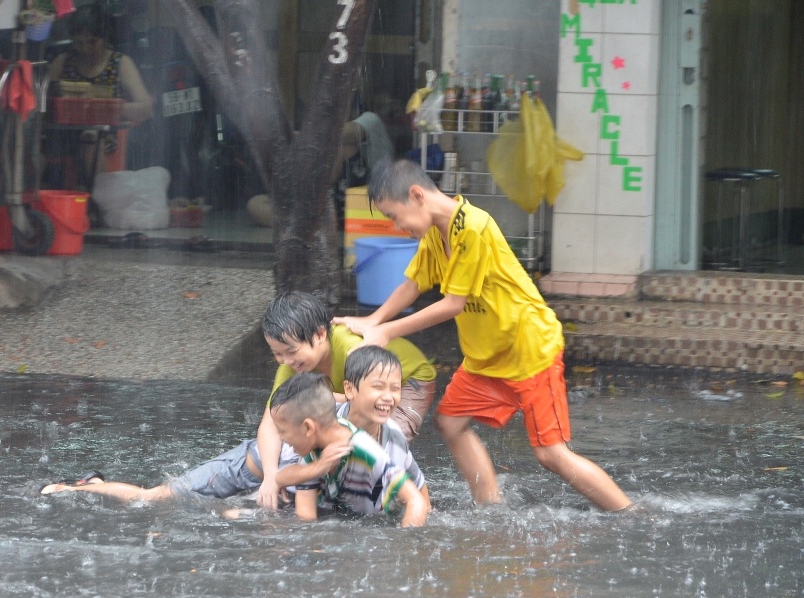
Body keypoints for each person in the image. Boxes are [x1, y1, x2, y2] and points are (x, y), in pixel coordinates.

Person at [331, 159, 632, 512]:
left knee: (550, 454)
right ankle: (490, 508)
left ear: (417, 195)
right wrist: (373, 321)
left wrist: (385, 332)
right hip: (487, 355)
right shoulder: (433, 234)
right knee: (450, 422)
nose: (397, 226)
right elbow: (414, 283)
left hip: (529, 349)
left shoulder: (472, 226)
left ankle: (629, 513)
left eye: (395, 216)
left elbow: (453, 304)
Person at [254, 291, 437, 510]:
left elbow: (359, 398)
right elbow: (271, 421)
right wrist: (270, 476)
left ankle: (397, 498)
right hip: (359, 394)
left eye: (291, 351)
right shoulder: (293, 361)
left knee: (381, 434)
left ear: (320, 334)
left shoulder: (352, 349)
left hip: (408, 380)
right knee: (330, 433)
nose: (286, 360)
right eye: (278, 354)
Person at [269, 367, 430, 528]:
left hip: (375, 525)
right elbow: (302, 509)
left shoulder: (367, 452)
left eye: (282, 431)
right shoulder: (315, 445)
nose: (281, 438)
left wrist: (405, 542)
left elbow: (416, 500)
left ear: (308, 428)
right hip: (339, 517)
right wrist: (318, 467)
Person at [46, 4, 153, 184]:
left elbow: (146, 108)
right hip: (62, 135)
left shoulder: (120, 63)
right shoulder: (63, 61)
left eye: (92, 42)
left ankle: (98, 202)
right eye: (79, 43)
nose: (85, 49)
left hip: (102, 136)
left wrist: (109, 109)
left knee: (90, 137)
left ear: (104, 38)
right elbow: (42, 99)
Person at [38, 435, 302, 503]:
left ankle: (96, 487)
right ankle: (72, 488)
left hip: (257, 482)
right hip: (235, 470)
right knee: (152, 498)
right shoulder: (308, 399)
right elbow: (271, 418)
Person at [245, 110, 394, 228]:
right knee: (255, 203)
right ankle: (303, 224)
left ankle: (304, 224)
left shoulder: (371, 122)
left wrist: (292, 136)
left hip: (358, 206)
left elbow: (339, 135)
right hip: (318, 206)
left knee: (335, 143)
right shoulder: (325, 142)